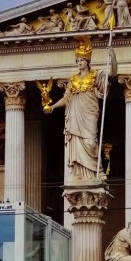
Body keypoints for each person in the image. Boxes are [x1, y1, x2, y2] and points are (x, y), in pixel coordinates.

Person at [43, 37, 105, 183]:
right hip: (75, 116)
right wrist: (52, 107)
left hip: (89, 113)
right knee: (76, 144)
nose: (79, 63)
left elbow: (110, 76)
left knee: (91, 142)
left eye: (81, 60)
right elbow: (66, 99)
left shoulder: (95, 76)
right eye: (77, 61)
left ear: (87, 61)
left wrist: (112, 57)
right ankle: (78, 173)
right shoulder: (73, 80)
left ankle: (99, 171)